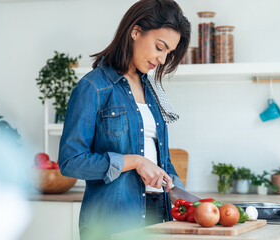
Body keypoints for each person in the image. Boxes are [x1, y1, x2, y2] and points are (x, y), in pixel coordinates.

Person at [58, 0, 191, 238]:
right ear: (136, 31)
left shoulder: (152, 91)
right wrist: (134, 162)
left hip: (159, 217)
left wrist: (174, 185)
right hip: (112, 224)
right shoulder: (93, 87)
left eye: (168, 53)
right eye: (160, 47)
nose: (162, 59)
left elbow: (161, 158)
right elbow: (71, 162)